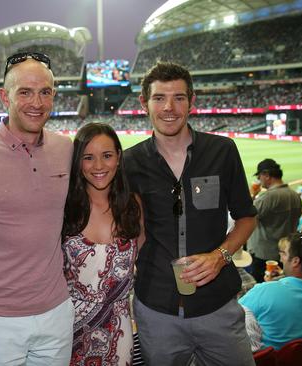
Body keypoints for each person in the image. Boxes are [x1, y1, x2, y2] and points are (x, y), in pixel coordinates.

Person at [122, 61, 257, 366]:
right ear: (144, 103)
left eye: (179, 98)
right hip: (156, 311)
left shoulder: (222, 151)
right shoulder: (129, 162)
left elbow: (246, 217)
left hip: (218, 307)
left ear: (192, 102)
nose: (169, 107)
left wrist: (219, 256)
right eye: (159, 98)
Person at [0, 52, 74, 365]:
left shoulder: (66, 149)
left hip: (56, 313)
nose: (37, 102)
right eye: (25, 92)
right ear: (4, 97)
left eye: (45, 92)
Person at [61, 123, 145, 364]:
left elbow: (143, 255)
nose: (98, 166)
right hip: (68, 329)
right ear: (78, 162)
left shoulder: (133, 206)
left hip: (119, 330)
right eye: (88, 158)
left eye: (106, 156)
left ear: (119, 157)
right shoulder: (65, 208)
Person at [239, 234, 302, 350]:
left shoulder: (262, 291)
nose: (281, 258)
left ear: (295, 261)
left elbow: (234, 316)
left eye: (284, 253)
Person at [247, 158, 302, 282]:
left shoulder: (268, 197)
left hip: (264, 256)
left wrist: (253, 195)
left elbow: (246, 215)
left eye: (259, 176)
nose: (259, 180)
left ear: (266, 175)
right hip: (285, 254)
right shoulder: (294, 195)